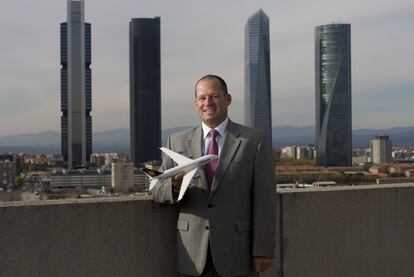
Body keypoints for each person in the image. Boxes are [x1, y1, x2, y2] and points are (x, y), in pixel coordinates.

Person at [152, 74, 276, 276]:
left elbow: (265, 201)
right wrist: (174, 186)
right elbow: (157, 189)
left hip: (237, 253)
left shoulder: (254, 140)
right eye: (202, 98)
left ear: (228, 99)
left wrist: (263, 249)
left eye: (214, 96)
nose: (207, 103)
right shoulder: (176, 142)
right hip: (192, 255)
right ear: (195, 103)